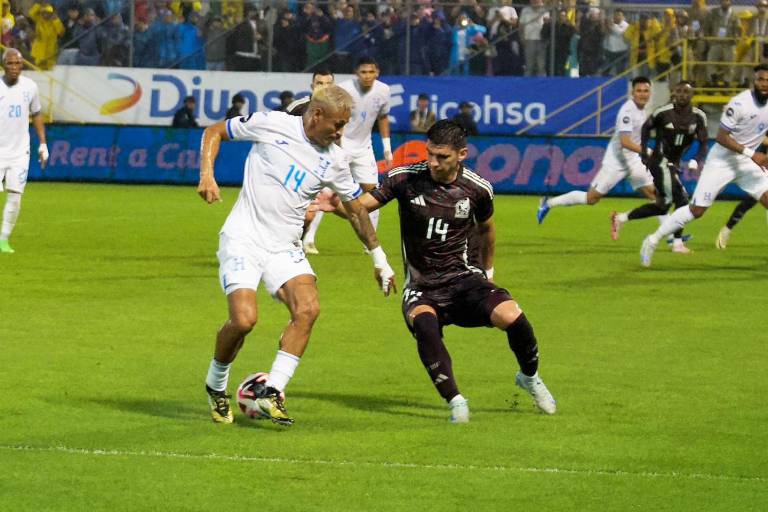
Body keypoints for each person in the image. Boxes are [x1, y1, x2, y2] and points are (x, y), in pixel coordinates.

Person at [196, 85, 396, 425]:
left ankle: (271, 391)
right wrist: (207, 175)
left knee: (308, 309)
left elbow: (357, 210)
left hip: (285, 247)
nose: (341, 133)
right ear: (316, 115)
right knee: (244, 321)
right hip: (244, 238)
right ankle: (216, 386)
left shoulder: (336, 159)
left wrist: (380, 259)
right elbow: (214, 131)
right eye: (338, 124)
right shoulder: (272, 124)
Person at [354, 120, 556, 422]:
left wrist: (488, 271)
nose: (433, 162)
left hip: (464, 280)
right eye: (430, 153)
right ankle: (456, 402)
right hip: (421, 286)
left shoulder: (477, 188)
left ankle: (529, 377)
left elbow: (487, 229)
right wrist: (379, 259)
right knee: (424, 325)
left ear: (462, 154)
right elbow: (358, 208)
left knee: (513, 316)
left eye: (442, 156)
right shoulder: (405, 178)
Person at [640, 64, 768, 267]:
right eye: (761, 80)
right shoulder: (740, 104)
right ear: (754, 81)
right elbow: (721, 137)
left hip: (747, 162)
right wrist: (752, 154)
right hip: (722, 161)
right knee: (697, 210)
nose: (764, 84)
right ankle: (652, 240)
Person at [302, 57, 392, 254]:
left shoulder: (384, 90)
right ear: (356, 73)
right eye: (363, 72)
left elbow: (383, 117)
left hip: (363, 149)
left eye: (371, 72)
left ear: (377, 72)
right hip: (340, 146)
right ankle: (308, 239)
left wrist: (387, 148)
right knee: (324, 191)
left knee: (373, 193)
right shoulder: (343, 89)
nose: (367, 76)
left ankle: (369, 244)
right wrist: (337, 149)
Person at [537, 77, 656, 224]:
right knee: (591, 198)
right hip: (616, 162)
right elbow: (625, 142)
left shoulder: (645, 110)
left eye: (646, 91)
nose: (643, 94)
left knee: (656, 197)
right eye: (639, 91)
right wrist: (648, 152)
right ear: (632, 93)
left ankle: (672, 235)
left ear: (650, 93)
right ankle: (548, 203)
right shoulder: (627, 111)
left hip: (633, 160)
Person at [611, 81, 708, 253]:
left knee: (663, 205)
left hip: (674, 163)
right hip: (659, 161)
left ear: (692, 94)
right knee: (682, 200)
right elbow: (646, 128)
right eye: (679, 91)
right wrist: (643, 151)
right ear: (674, 93)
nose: (682, 95)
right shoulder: (663, 112)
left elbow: (703, 143)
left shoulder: (699, 116)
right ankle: (676, 243)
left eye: (686, 92)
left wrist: (696, 159)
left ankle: (621, 218)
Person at [0, 49, 49, 254]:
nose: (14, 67)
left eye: (18, 63)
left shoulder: (30, 87)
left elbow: (36, 113)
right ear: (3, 65)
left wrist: (43, 144)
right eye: (10, 63)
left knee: (15, 195)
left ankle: (3, 240)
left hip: (20, 152)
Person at [286, 70, 335, 255]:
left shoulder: (336, 109)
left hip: (319, 167)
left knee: (310, 213)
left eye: (328, 84)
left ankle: (301, 243)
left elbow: (338, 138)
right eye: (320, 83)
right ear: (312, 86)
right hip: (294, 166)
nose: (324, 87)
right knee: (294, 213)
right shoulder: (297, 107)